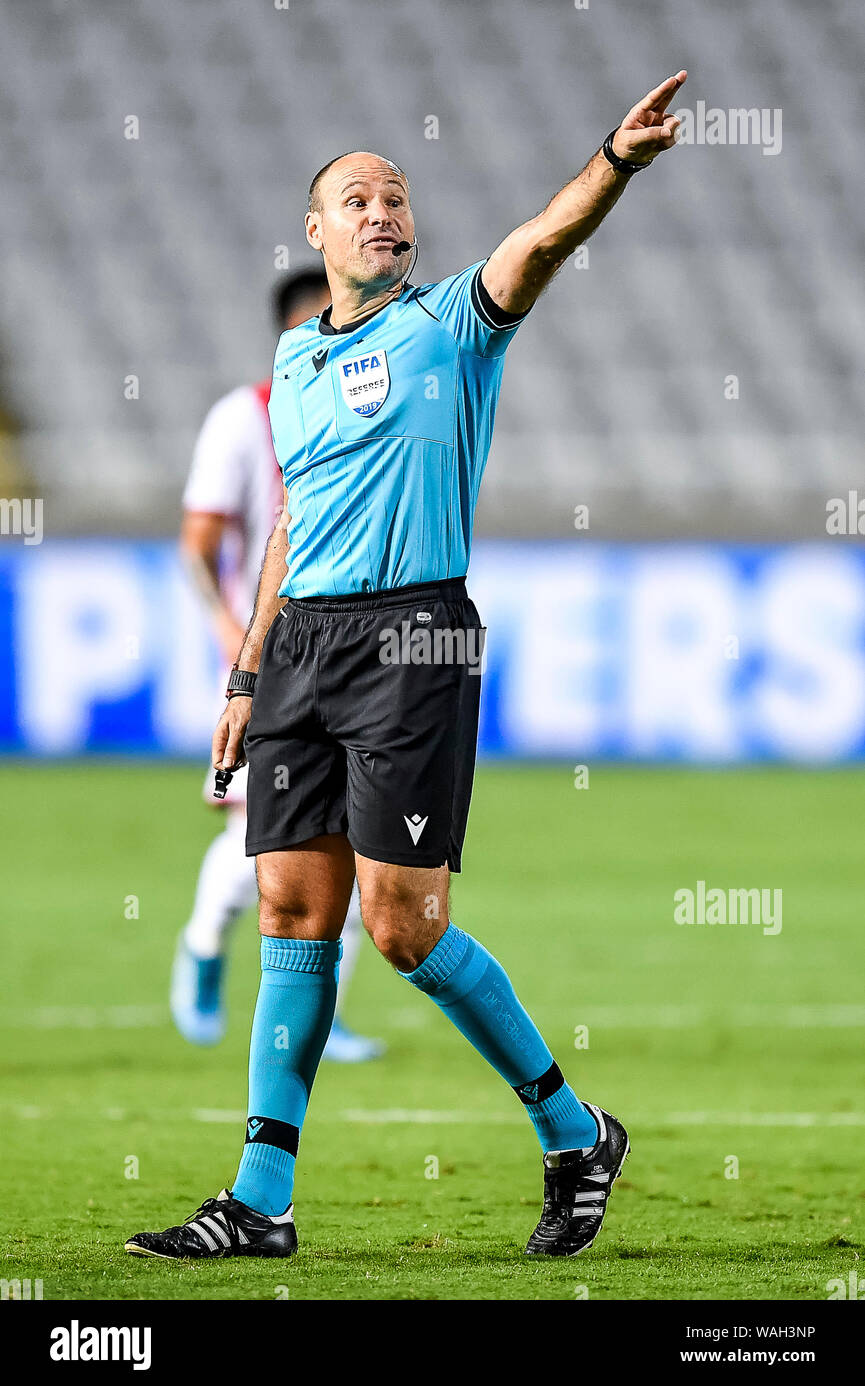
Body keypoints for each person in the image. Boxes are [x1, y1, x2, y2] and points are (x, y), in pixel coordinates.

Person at [127, 70, 685, 1261]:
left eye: (396, 197)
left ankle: (573, 1128)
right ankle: (260, 1200)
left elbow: (540, 240)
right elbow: (291, 524)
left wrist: (614, 162)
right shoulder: (291, 362)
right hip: (304, 647)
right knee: (289, 907)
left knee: (403, 927)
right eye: (356, 198)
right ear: (317, 231)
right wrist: (244, 673)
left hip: (411, 637)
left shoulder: (451, 324)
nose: (381, 211)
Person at [171, 268, 384, 1062]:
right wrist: (233, 634)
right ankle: (201, 946)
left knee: (360, 839)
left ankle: (319, 1020)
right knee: (262, 833)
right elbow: (199, 541)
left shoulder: (373, 411)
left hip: (354, 655)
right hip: (266, 654)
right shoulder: (244, 417)